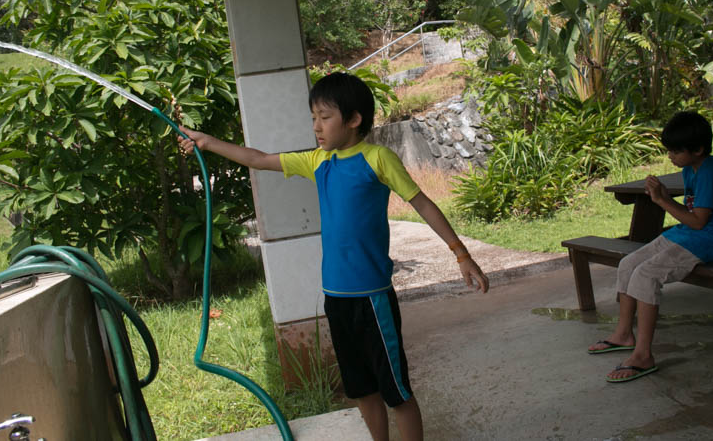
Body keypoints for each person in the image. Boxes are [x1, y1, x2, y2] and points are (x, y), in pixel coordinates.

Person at [177, 71, 489, 440]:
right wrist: (208, 142)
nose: (316, 127)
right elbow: (258, 158)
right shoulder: (317, 162)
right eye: (313, 119)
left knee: (397, 392)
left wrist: (461, 254)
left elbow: (423, 204)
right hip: (337, 299)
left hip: (372, 299)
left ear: (354, 120)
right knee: (360, 391)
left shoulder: (377, 158)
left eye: (325, 118)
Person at [587, 110, 713, 383]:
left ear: (698, 149)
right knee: (628, 264)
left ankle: (643, 354)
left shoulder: (709, 172)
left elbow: (697, 222)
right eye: (668, 150)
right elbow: (692, 218)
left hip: (711, 240)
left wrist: (661, 200)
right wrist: (664, 198)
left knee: (646, 275)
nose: (670, 156)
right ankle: (624, 333)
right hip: (692, 234)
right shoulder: (690, 168)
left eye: (675, 151)